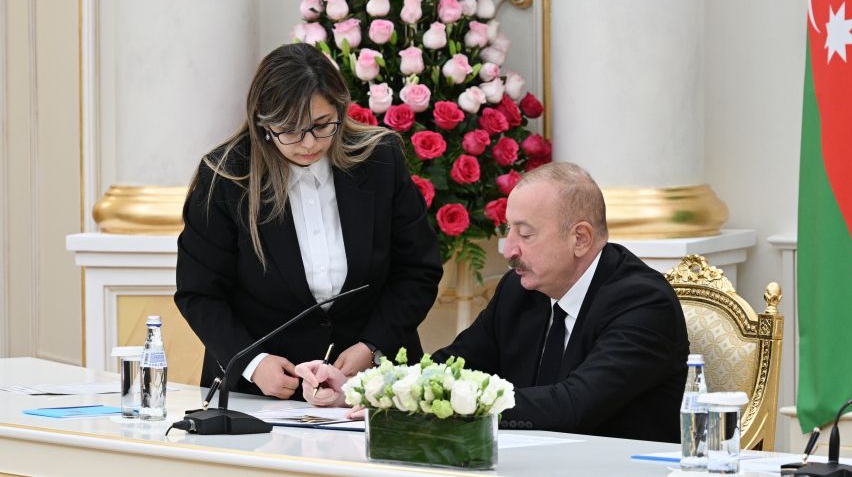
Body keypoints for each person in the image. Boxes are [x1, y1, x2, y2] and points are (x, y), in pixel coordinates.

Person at [297, 162, 689, 442]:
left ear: (580, 238)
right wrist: (366, 389)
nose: (508, 249)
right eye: (508, 230)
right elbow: (452, 365)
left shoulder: (643, 303)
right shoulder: (520, 290)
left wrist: (435, 405)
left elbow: (575, 405)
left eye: (525, 234)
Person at [175, 43, 443, 401]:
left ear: (340, 109)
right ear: (263, 123)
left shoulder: (381, 160)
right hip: (260, 394)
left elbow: (418, 270)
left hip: (372, 386)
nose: (308, 143)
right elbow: (199, 293)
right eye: (290, 130)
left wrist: (372, 346)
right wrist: (254, 363)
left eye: (321, 125)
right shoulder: (226, 177)